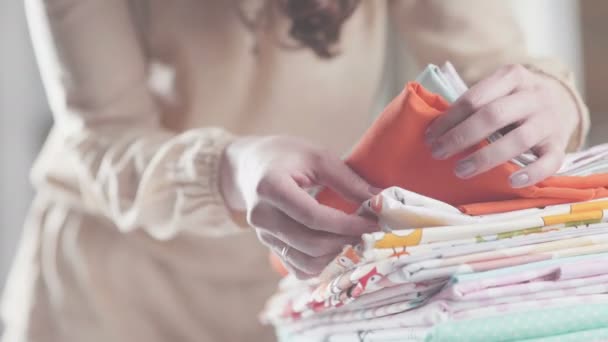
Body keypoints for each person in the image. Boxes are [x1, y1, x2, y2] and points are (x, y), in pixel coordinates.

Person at [2, 0, 589, 341]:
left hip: (307, 283)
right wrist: (227, 168)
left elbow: (496, 65)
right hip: (110, 300)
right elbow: (100, 138)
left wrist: (552, 98)